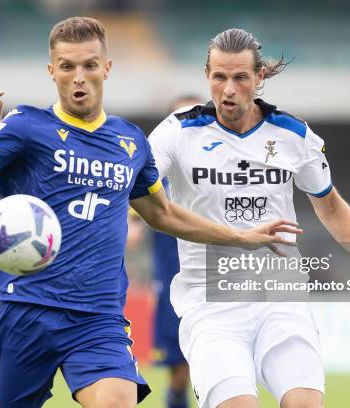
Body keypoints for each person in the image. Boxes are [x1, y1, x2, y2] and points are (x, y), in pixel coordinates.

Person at [0, 17, 301, 408]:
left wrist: (242, 237)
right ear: (52, 71)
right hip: (26, 310)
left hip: (98, 318)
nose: (79, 77)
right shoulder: (27, 126)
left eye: (89, 65)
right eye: (67, 66)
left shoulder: (129, 142)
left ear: (106, 68)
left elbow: (163, 214)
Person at [148, 28, 350, 408]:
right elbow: (140, 190)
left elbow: (329, 204)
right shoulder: (178, 132)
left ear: (259, 77)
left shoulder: (292, 134)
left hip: (281, 298)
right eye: (219, 77)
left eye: (240, 77)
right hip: (210, 305)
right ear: (207, 76)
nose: (228, 89)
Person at [128, 95, 203, 408]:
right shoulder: (155, 179)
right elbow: (131, 233)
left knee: (216, 369)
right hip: (172, 289)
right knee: (179, 374)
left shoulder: (217, 173)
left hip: (219, 287)